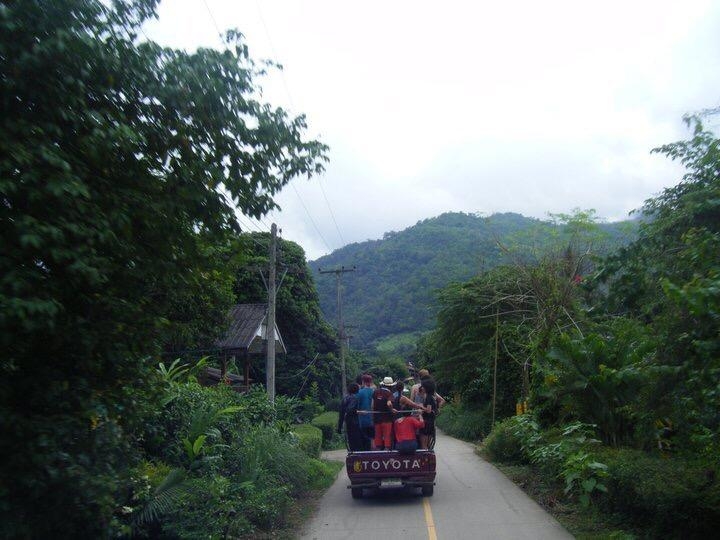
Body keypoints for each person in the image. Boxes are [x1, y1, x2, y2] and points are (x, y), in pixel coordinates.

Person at [337, 382, 364, 451]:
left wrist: (339, 427)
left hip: (348, 421)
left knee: (350, 439)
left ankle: (352, 452)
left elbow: (341, 413)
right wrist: (356, 411)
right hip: (354, 421)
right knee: (357, 439)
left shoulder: (345, 398)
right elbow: (350, 409)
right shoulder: (355, 398)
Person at [372, 376, 396, 450]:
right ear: (390, 386)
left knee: (378, 436)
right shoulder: (389, 393)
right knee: (387, 436)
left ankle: (378, 451)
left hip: (377, 418)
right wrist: (392, 409)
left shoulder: (375, 392)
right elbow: (389, 403)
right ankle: (386, 450)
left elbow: (372, 405)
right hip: (387, 419)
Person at [418, 379, 438, 450]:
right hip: (431, 422)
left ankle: (425, 459)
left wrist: (421, 406)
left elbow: (428, 410)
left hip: (426, 422)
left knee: (424, 445)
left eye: (423, 386)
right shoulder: (433, 397)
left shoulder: (429, 397)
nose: (422, 388)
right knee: (428, 445)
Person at [356, 374, 374, 450]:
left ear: (363, 381)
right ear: (371, 381)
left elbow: (356, 407)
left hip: (362, 420)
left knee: (363, 440)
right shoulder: (374, 392)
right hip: (372, 420)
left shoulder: (359, 392)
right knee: (372, 439)